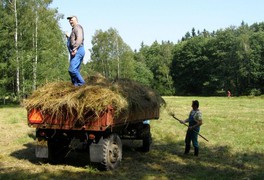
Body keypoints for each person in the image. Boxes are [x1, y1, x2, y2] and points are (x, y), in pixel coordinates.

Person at [67, 15, 85, 86]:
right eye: (69, 20)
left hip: (78, 50)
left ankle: (83, 84)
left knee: (72, 70)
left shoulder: (77, 27)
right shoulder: (74, 29)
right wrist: (68, 37)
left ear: (75, 20)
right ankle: (76, 86)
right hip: (76, 50)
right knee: (75, 70)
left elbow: (79, 38)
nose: (70, 21)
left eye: (71, 19)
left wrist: (75, 49)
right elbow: (73, 40)